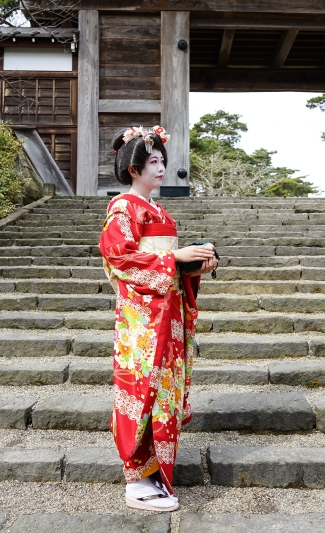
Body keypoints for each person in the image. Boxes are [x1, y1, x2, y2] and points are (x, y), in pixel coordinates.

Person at [99, 126, 217, 512]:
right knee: (140, 389)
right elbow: (120, 257)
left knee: (163, 391)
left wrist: (195, 263)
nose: (162, 167)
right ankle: (136, 475)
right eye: (153, 161)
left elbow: (170, 265)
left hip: (167, 313)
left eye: (163, 160)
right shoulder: (123, 207)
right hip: (142, 320)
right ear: (133, 169)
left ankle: (157, 473)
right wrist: (175, 258)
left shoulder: (159, 210)